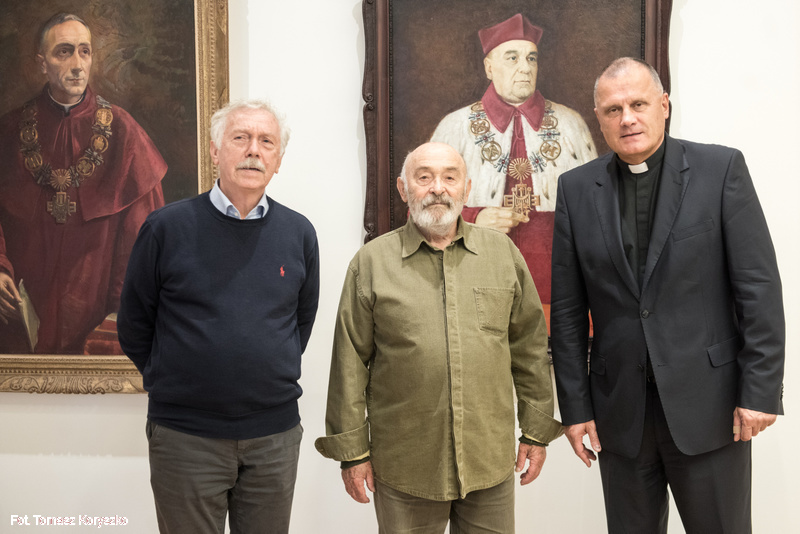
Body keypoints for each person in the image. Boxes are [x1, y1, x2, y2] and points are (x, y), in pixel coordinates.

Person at [550, 57, 785, 533]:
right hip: (621, 416)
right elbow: (569, 312)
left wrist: (760, 391)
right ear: (599, 119)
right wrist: (574, 408)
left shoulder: (720, 169)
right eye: (613, 110)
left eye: (638, 104)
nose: (627, 118)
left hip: (712, 410)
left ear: (664, 105)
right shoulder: (575, 189)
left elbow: (758, 288)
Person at [315, 142, 561, 533]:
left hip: (488, 461)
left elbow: (529, 348)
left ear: (466, 188)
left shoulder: (503, 255)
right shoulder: (372, 263)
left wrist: (536, 431)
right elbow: (349, 362)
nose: (437, 188)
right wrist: (353, 453)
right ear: (403, 188)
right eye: (424, 177)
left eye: (450, 177)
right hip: (405, 465)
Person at [117, 99, 320, 534]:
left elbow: (300, 321)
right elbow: (134, 324)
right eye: (240, 138)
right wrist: (175, 380)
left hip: (273, 437)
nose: (254, 150)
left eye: (266, 142)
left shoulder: (299, 233)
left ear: (279, 159)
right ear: (214, 151)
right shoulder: (166, 228)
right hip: (186, 436)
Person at [0, 12, 167, 353]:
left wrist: (122, 310)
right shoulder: (8, 130)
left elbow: (143, 233)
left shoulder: (124, 131)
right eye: (64, 52)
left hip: (96, 307)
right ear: (41, 63)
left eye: (84, 51)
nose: (77, 65)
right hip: (17, 307)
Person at [431, 13, 597, 304]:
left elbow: (597, 210)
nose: (525, 68)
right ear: (489, 67)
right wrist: (473, 219)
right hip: (478, 279)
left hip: (556, 283)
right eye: (512, 58)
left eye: (531, 58)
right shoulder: (454, 126)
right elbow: (421, 212)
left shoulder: (571, 124)